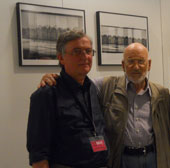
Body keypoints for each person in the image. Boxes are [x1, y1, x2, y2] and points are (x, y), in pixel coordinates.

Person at [38, 43, 170, 168]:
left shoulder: (162, 93)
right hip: (121, 159)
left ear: (149, 64)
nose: (136, 67)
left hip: (153, 158)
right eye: (131, 61)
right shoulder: (105, 86)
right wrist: (55, 79)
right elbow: (78, 85)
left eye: (141, 61)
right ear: (123, 65)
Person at [27, 30, 109, 168]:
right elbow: (38, 155)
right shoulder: (46, 94)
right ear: (61, 58)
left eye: (88, 51)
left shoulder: (93, 88)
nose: (84, 56)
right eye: (77, 51)